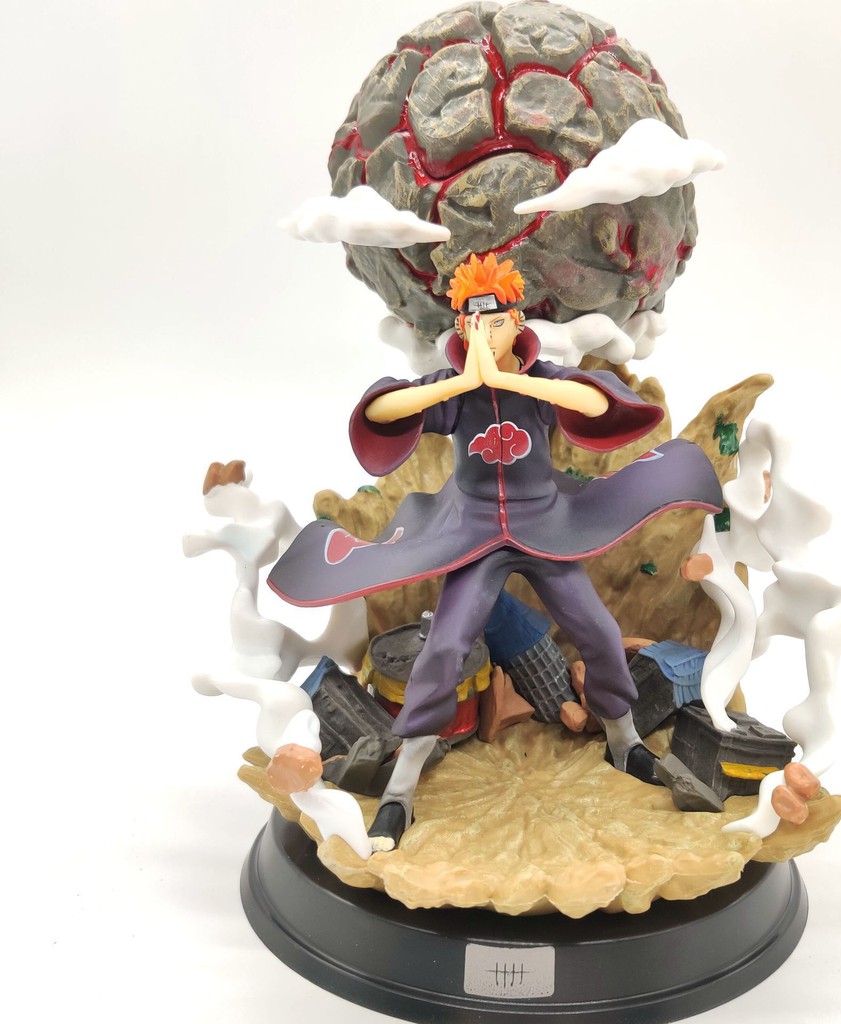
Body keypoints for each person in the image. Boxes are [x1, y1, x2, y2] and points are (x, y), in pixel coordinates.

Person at [268, 252, 723, 850]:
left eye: (498, 319)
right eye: (474, 321)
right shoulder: (454, 393)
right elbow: (380, 409)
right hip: (474, 534)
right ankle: (401, 790)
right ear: (461, 327)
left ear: (518, 322)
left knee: (599, 632)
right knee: (444, 648)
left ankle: (624, 741)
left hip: (547, 527)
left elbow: (593, 404)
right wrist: (464, 382)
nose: (486, 331)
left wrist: (509, 381)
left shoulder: (544, 380)